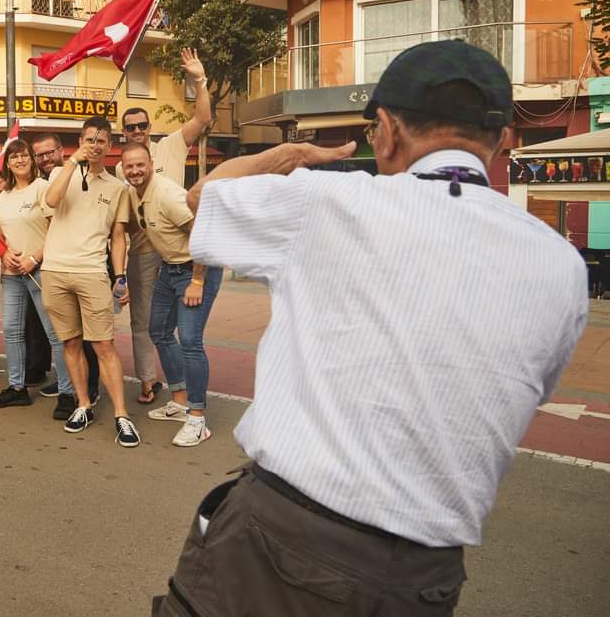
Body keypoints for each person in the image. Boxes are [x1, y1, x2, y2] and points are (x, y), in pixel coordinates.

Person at [152, 41, 589, 616]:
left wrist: (287, 154)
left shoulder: (326, 202)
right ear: (503, 139)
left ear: (384, 131)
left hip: (284, 537)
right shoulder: (562, 265)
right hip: (424, 576)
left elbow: (200, 196)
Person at [116, 48, 211, 405]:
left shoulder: (171, 145)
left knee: (186, 331)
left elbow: (202, 119)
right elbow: (120, 227)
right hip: (143, 254)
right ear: (123, 132)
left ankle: (188, 393)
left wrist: (199, 80)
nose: (137, 130)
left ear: (149, 128)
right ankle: (148, 380)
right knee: (145, 324)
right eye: (130, 127)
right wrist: (118, 275)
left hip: (181, 251)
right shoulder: (119, 170)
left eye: (142, 125)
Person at [41, 116, 139, 446]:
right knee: (70, 342)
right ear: (80, 142)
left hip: (93, 271)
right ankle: (83, 404)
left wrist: (121, 276)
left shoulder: (117, 188)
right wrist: (72, 162)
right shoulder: (59, 173)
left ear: (109, 146)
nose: (94, 146)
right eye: (88, 140)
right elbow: (52, 201)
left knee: (103, 345)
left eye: (100, 141)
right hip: (55, 270)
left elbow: (119, 236)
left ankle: (121, 415)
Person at [121, 143, 221, 447]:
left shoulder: (165, 193)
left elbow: (202, 230)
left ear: (151, 163)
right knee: (159, 331)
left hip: (195, 268)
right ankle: (179, 401)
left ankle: (197, 418)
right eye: (129, 167)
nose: (135, 171)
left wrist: (197, 280)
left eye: (140, 165)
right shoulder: (136, 194)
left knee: (190, 340)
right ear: (123, 170)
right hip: (170, 268)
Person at [0, 139, 72, 411]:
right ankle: (17, 387)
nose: (20, 161)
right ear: (7, 165)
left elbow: (59, 227)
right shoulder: (4, 197)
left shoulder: (42, 189)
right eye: (14, 158)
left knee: (54, 333)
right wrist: (3, 254)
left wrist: (34, 258)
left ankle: (67, 392)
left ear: (31, 160)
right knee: (11, 331)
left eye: (24, 156)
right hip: (12, 274)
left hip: (41, 270)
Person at [31, 133, 100, 411]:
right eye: (40, 155)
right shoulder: (51, 177)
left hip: (86, 263)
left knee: (89, 336)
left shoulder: (76, 170)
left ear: (61, 150)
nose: (45, 159)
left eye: (49, 152)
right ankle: (70, 385)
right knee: (68, 335)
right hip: (58, 267)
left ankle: (90, 388)